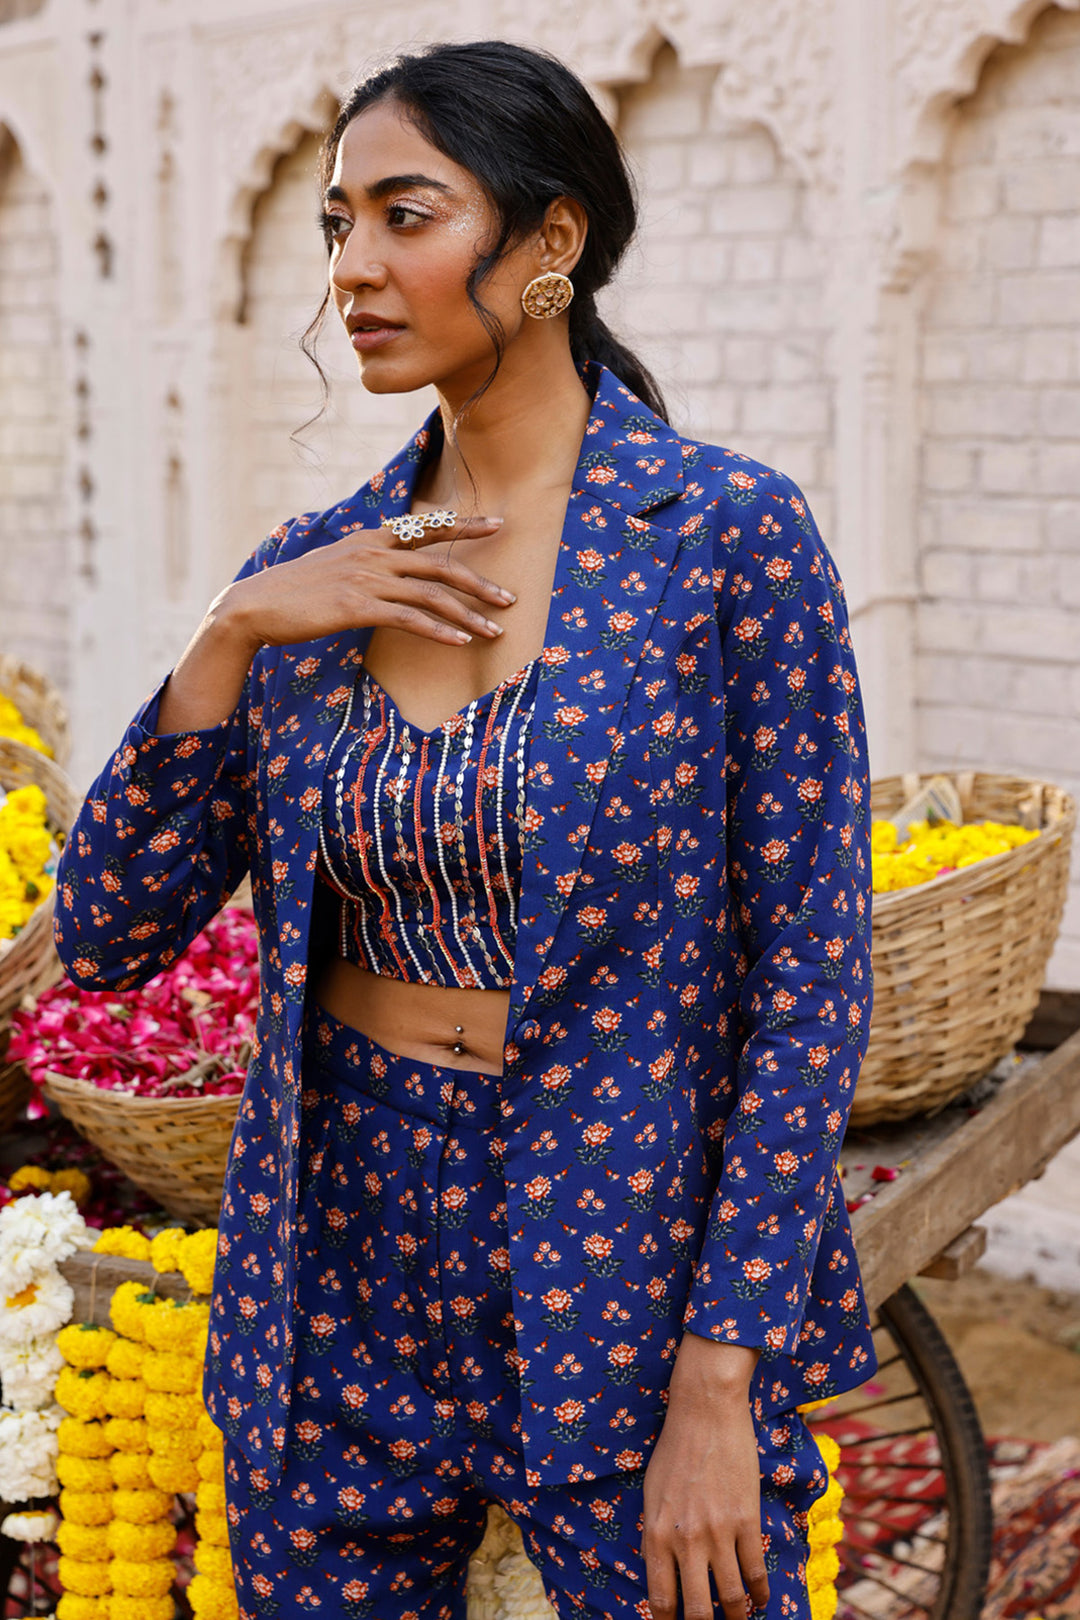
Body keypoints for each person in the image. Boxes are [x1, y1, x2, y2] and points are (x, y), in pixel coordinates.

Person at [54, 39, 877, 1620]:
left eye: (404, 216)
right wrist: (228, 635)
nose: (352, 270)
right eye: (335, 224)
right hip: (341, 1251)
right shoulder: (314, 572)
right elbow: (108, 935)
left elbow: (813, 979)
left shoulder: (724, 539)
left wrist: (721, 1377)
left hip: (622, 1250)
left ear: (550, 242)